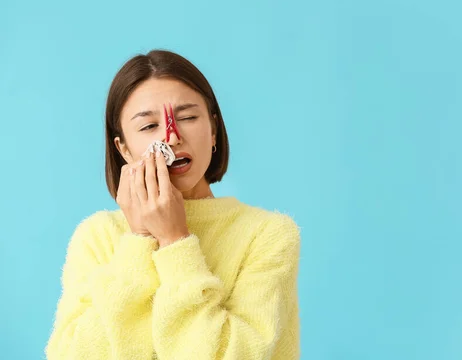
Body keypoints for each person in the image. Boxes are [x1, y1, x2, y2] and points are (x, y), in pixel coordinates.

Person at [45, 50, 301, 360]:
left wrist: (175, 241)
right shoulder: (97, 237)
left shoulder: (268, 235)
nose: (172, 136)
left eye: (188, 117)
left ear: (214, 130)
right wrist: (139, 240)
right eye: (147, 126)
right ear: (123, 148)